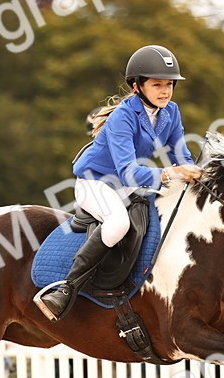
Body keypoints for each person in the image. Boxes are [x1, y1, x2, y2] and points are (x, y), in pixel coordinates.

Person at [34, 44, 202, 321]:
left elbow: (181, 154)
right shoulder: (124, 116)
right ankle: (67, 288)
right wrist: (171, 174)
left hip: (130, 184)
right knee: (118, 223)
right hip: (96, 182)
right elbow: (129, 172)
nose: (165, 91)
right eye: (157, 84)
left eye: (170, 84)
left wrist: (195, 171)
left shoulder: (171, 111)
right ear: (137, 86)